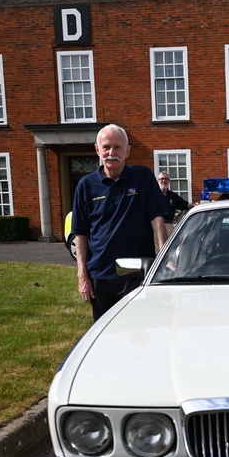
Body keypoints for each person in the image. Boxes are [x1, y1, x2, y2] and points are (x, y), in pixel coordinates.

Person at [72, 124, 169, 321]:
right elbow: (80, 233)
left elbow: (157, 218)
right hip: (100, 276)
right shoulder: (86, 186)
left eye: (117, 147)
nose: (111, 153)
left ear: (128, 151)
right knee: (105, 333)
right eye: (106, 147)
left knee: (139, 331)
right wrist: (82, 275)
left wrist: (164, 259)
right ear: (97, 150)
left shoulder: (143, 177)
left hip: (137, 273)